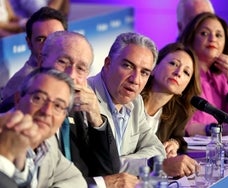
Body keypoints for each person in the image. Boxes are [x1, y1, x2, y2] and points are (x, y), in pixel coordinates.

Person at [88, 32, 198, 178]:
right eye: (128, 66)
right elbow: (95, 165)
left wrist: (124, 162)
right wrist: (154, 165)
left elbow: (157, 149)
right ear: (108, 64)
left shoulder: (135, 102)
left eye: (144, 72)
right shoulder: (86, 99)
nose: (135, 79)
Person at [40, 30, 128, 187]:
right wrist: (102, 184)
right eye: (63, 62)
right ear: (42, 61)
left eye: (80, 68)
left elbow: (110, 170)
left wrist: (96, 117)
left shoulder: (77, 108)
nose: (71, 75)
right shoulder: (26, 110)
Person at [1, 68, 87, 187]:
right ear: (18, 99)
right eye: (38, 98)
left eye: (58, 105)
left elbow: (77, 179)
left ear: (64, 116)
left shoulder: (48, 143)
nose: (47, 111)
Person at [179, 12, 228, 136]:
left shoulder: (221, 77)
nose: (213, 39)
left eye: (218, 35)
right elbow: (179, 126)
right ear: (191, 38)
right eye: (204, 33)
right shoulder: (182, 72)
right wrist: (214, 129)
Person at [141, 42, 201, 157]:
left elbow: (179, 137)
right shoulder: (130, 98)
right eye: (173, 63)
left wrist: (174, 143)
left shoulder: (179, 113)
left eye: (186, 72)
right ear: (154, 67)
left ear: (185, 87)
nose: (178, 73)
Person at [1, 6, 67, 100]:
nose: (49, 44)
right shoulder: (21, 83)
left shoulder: (72, 70)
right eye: (40, 39)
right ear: (29, 43)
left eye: (56, 37)